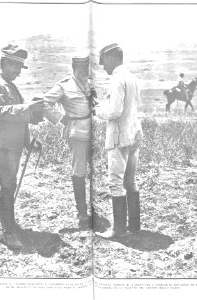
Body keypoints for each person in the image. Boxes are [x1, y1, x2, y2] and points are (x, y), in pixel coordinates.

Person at [0, 43, 45, 249]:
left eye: (20, 68)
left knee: (10, 186)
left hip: (14, 146)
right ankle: (9, 233)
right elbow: (0, 111)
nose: (18, 72)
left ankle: (10, 223)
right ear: (5, 63)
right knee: (8, 186)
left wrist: (28, 142)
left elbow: (21, 119)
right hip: (2, 146)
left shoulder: (12, 87)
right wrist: (27, 108)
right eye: (16, 67)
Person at [94, 44, 143, 238]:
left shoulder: (116, 80)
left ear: (111, 58)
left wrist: (96, 110)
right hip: (133, 134)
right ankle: (135, 226)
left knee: (115, 181)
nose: (102, 65)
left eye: (104, 61)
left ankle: (119, 230)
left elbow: (114, 112)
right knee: (130, 181)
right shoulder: (131, 77)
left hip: (119, 137)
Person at [42, 54, 95, 229]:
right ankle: (82, 213)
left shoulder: (88, 83)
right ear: (74, 68)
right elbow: (44, 102)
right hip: (77, 133)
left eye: (86, 69)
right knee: (79, 171)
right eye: (81, 69)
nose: (85, 72)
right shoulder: (64, 85)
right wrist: (61, 118)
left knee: (92, 171)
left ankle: (92, 208)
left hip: (92, 132)